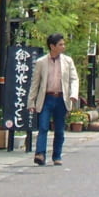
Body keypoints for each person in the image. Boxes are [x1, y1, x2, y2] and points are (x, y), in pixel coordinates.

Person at [27, 33, 80, 166]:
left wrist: (73, 94)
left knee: (59, 129)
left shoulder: (68, 61)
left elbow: (74, 79)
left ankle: (57, 155)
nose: (63, 46)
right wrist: (31, 102)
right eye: (60, 44)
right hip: (46, 98)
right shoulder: (41, 62)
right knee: (43, 127)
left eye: (63, 44)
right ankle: (40, 154)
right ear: (52, 46)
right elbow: (35, 84)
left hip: (61, 98)